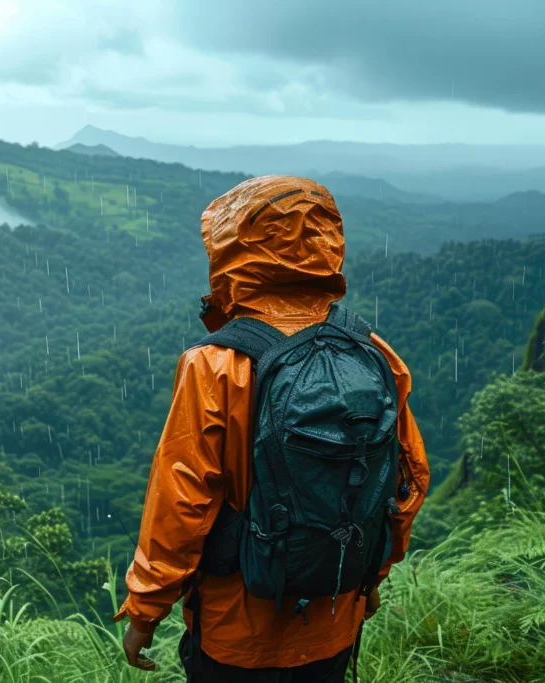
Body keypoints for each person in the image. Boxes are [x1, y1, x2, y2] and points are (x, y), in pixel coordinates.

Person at [115, 176, 430, 682]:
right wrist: (369, 575)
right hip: (333, 613)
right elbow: (406, 479)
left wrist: (145, 608)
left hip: (236, 627)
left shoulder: (216, 363)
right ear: (329, 245)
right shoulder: (372, 351)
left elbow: (181, 500)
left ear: (233, 250)